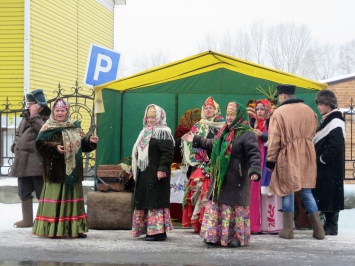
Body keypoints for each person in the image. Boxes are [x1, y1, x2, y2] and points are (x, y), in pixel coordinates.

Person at [183, 101, 261, 247]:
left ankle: (234, 237)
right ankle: (215, 236)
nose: (229, 118)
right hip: (220, 179)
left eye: (232, 115)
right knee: (218, 207)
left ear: (239, 115)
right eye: (228, 114)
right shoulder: (224, 130)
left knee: (233, 209)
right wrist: (197, 140)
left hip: (236, 178)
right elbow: (213, 143)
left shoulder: (247, 134)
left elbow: (254, 154)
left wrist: (255, 170)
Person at [32, 98, 98, 238]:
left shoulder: (74, 127)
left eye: (63, 110)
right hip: (55, 171)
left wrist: (89, 141)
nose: (60, 113)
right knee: (56, 200)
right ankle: (54, 230)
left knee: (72, 201)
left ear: (67, 112)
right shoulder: (47, 127)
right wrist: (55, 148)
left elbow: (82, 146)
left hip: (73, 172)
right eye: (57, 110)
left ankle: (74, 229)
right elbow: (39, 146)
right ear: (53, 112)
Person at [265, 84, 325, 240]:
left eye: (278, 96)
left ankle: (287, 231)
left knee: (287, 190)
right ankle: (318, 230)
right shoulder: (309, 111)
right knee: (306, 191)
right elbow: (314, 131)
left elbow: (274, 140)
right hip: (306, 154)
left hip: (288, 155)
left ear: (283, 95)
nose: (278, 99)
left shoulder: (278, 113)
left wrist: (270, 161)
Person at [180, 97, 225, 233]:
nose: (208, 110)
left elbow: (219, 144)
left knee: (211, 195)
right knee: (199, 194)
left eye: (211, 108)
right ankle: (200, 224)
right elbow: (186, 140)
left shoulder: (222, 126)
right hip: (200, 165)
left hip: (215, 165)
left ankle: (211, 223)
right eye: (205, 108)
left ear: (216, 110)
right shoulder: (198, 125)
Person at [130, 104, 174, 241]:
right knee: (147, 201)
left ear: (159, 117)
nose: (150, 119)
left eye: (153, 117)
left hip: (157, 175)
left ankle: (158, 233)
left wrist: (162, 169)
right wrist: (134, 168)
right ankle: (153, 231)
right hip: (145, 174)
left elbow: (167, 153)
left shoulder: (163, 132)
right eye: (148, 117)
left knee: (155, 203)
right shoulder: (144, 132)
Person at [10, 89, 51, 228]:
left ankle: (44, 220)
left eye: (32, 103)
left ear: (39, 105)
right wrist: (15, 145)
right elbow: (18, 133)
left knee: (41, 193)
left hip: (36, 161)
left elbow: (44, 131)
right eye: (29, 103)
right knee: (23, 191)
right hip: (22, 160)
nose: (29, 106)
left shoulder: (46, 117)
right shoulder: (26, 116)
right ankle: (27, 220)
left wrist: (34, 116)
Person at [312, 90, 345, 236]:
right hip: (327, 167)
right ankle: (330, 224)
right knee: (327, 195)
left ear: (329, 105)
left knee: (330, 195)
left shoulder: (336, 121)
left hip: (330, 167)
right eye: (318, 104)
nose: (318, 107)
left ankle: (332, 226)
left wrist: (322, 159)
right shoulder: (328, 119)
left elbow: (335, 144)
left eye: (321, 104)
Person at [250, 100, 283, 233]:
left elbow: (277, 141)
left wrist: (262, 135)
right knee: (254, 194)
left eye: (262, 109)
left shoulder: (273, 122)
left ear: (268, 110)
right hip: (256, 161)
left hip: (268, 163)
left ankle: (270, 226)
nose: (259, 111)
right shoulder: (253, 123)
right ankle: (255, 225)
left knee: (268, 194)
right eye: (257, 109)